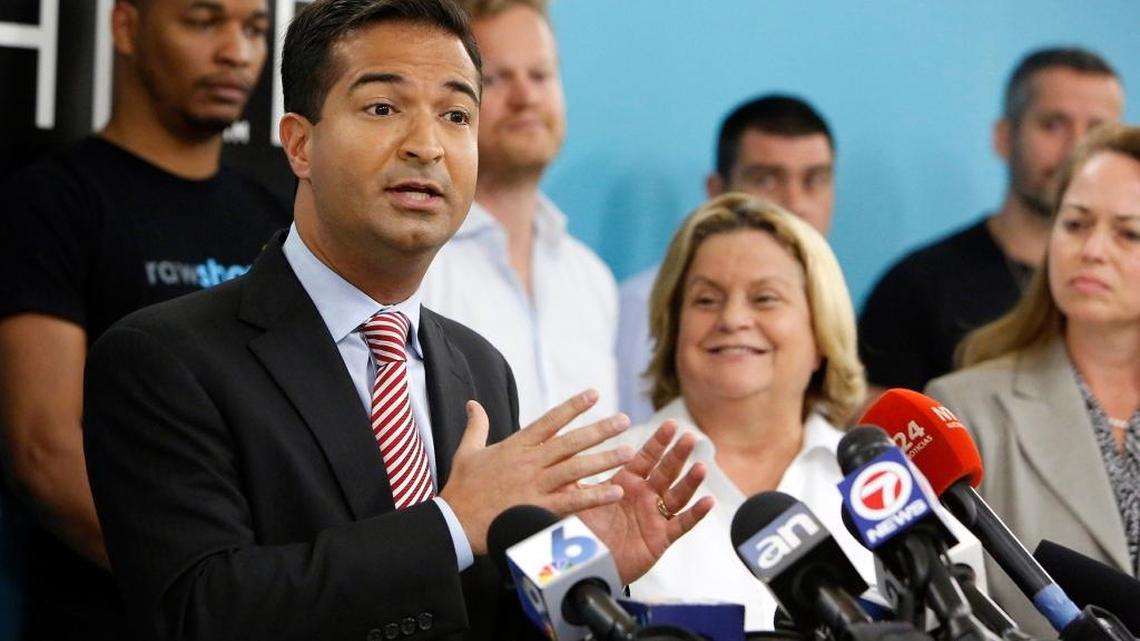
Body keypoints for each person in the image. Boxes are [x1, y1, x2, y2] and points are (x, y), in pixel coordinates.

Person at [81, 1, 713, 639]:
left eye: (456, 115)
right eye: (383, 108)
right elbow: (200, 610)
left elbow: (487, 611)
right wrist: (450, 524)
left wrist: (588, 576)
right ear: (299, 144)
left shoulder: (480, 368)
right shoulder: (165, 359)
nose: (426, 146)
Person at [0, 1, 287, 638]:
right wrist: (214, 584)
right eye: (203, 21)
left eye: (254, 29)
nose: (236, 52)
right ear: (127, 27)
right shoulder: (52, 203)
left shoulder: (281, 222)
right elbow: (43, 451)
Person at [927, 124, 1140, 638]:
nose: (1092, 249)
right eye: (1075, 224)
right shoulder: (964, 407)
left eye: (1128, 233)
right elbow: (941, 611)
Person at [860, 47, 1124, 395]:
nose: (1076, 147)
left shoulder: (1125, 290)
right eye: (1053, 125)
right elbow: (878, 422)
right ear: (1004, 137)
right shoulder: (918, 285)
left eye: (1097, 130)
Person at [420, 0, 617, 427]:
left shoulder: (592, 280)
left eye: (540, 75)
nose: (526, 97)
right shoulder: (420, 267)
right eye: (496, 79)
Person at [617, 95, 837, 423]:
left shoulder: (830, 298)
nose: (795, 203)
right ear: (716, 191)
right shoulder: (643, 305)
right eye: (767, 179)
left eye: (813, 180)